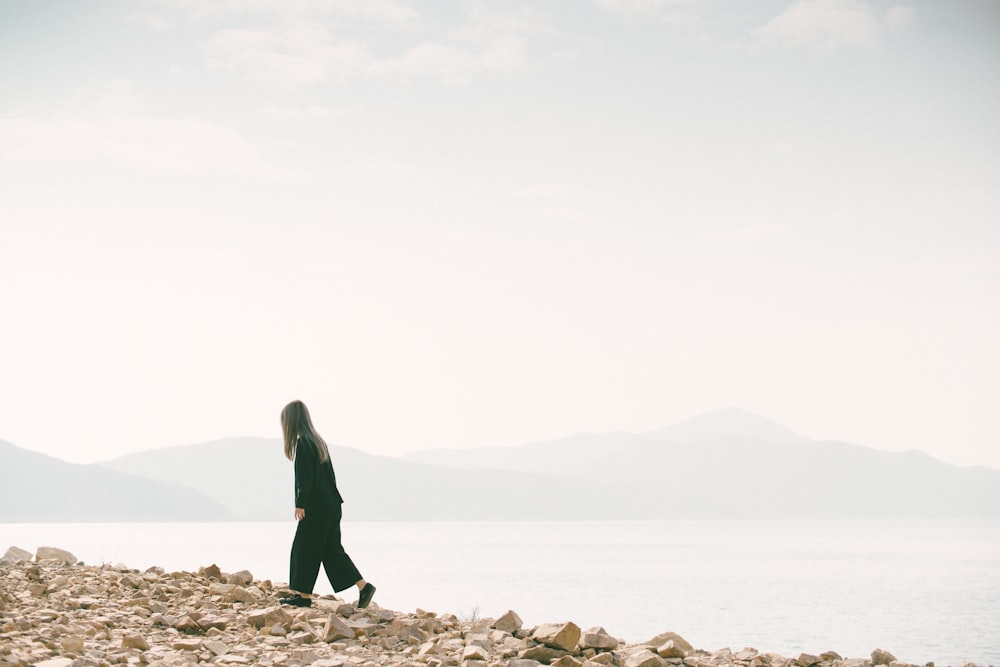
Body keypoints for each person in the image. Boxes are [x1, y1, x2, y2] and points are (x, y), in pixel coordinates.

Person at [279, 400, 375, 609]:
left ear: (291, 421)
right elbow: (329, 477)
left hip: (316, 506)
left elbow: (305, 478)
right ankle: (363, 586)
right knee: (331, 550)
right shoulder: (318, 441)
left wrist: (300, 503)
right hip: (332, 504)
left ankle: (302, 597)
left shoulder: (303, 442)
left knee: (303, 549)